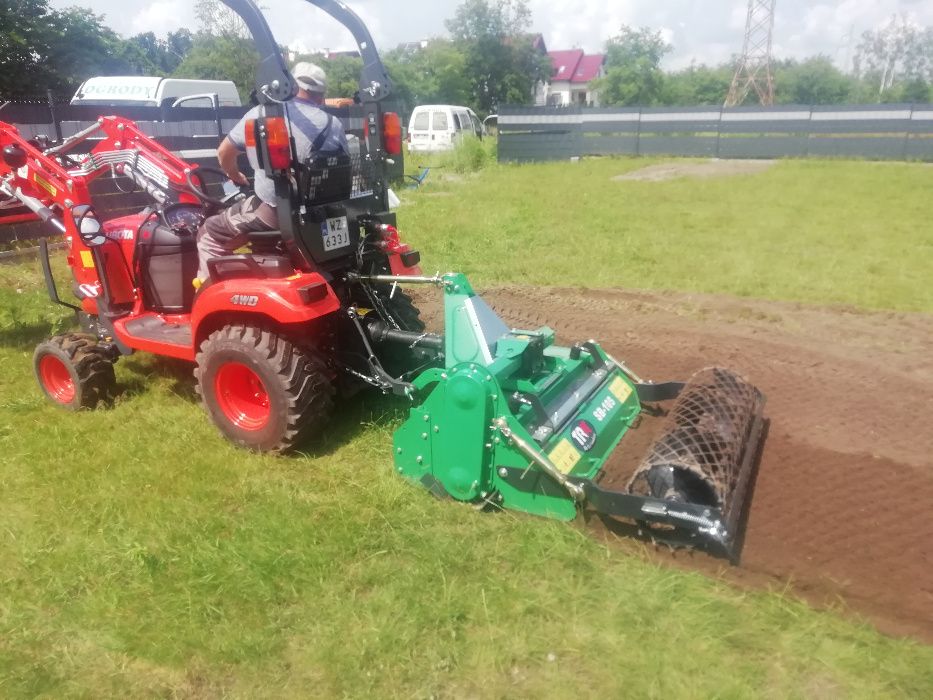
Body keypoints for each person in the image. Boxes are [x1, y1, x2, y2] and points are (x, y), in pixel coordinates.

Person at [194, 62, 349, 284]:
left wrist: (234, 175)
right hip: (320, 212)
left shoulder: (262, 114)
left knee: (208, 235)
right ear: (321, 95)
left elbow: (224, 153)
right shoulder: (333, 124)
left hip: (276, 213)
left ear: (292, 86)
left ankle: (212, 303)